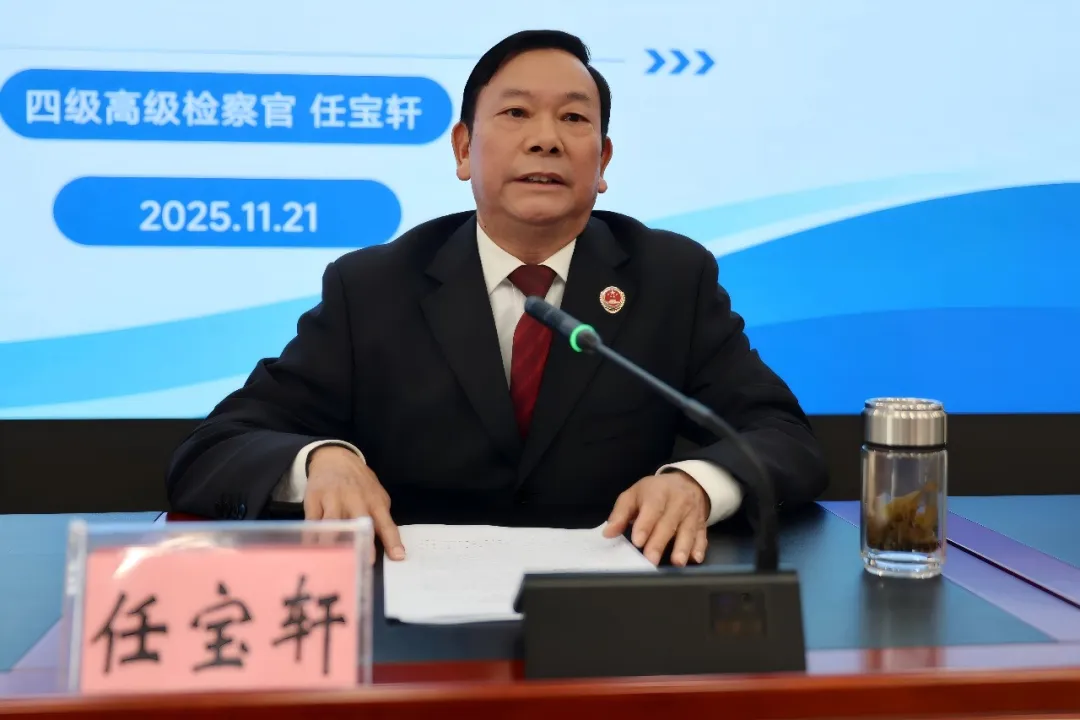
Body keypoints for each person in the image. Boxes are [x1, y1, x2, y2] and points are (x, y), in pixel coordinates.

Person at [166, 30, 827, 567]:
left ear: (601, 162)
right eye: (516, 113)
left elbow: (783, 439)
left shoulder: (670, 278)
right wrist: (320, 462)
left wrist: (698, 484)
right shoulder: (373, 287)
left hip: (612, 617)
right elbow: (215, 448)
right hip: (416, 628)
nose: (546, 138)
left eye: (574, 118)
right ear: (463, 149)